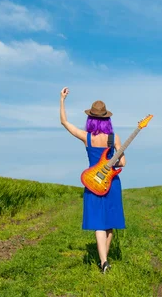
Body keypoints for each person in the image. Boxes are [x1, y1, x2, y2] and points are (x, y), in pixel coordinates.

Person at [59, 87, 126, 273]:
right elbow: (123, 163)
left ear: (91, 119)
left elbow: (64, 122)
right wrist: (119, 157)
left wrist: (62, 99)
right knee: (110, 223)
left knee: (98, 222)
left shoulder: (86, 137)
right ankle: (104, 260)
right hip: (111, 183)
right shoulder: (115, 138)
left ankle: (103, 261)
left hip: (92, 183)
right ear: (107, 119)